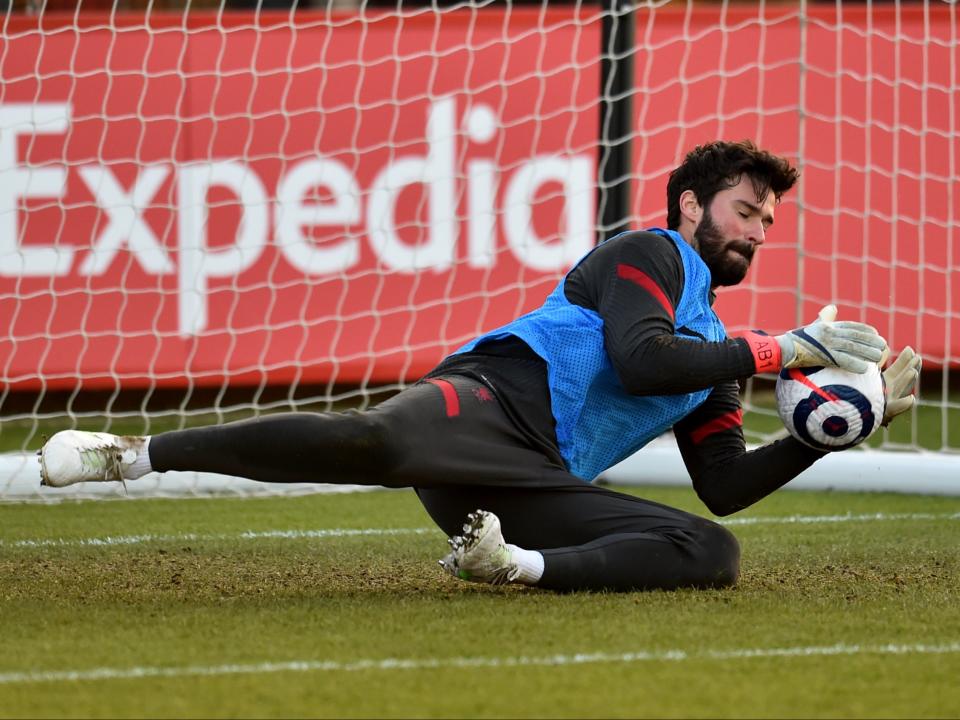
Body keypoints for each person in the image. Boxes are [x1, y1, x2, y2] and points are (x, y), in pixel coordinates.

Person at [38, 140, 921, 593]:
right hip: (490, 401)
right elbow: (641, 358)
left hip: (527, 482)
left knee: (710, 548)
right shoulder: (647, 254)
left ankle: (510, 568)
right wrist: (787, 349)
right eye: (745, 210)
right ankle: (134, 453)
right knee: (376, 444)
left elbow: (724, 483)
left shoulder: (719, 358)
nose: (758, 232)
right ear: (692, 204)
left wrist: (841, 425)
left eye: (768, 222)